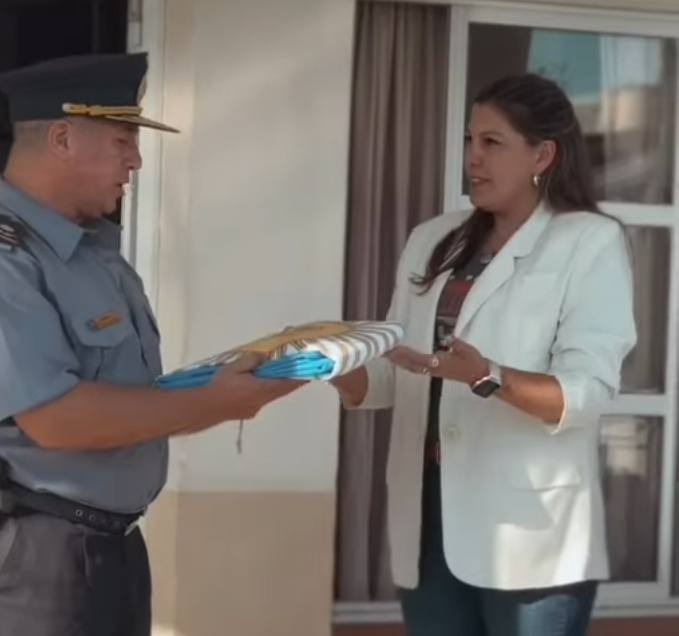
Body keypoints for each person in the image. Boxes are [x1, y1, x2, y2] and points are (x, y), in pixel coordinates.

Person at [0, 52, 304, 636]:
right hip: (38, 563)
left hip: (112, 549)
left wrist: (230, 381)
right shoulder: (11, 258)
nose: (136, 160)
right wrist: (217, 402)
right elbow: (54, 419)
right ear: (62, 139)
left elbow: (131, 398)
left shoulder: (92, 250)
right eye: (122, 141)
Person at [332, 73, 637, 636]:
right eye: (470, 140)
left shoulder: (588, 240)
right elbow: (391, 373)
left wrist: (486, 377)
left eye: (492, 142)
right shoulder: (432, 239)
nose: (473, 157)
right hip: (427, 519)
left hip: (530, 531)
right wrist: (330, 364)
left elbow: (587, 391)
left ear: (542, 155)